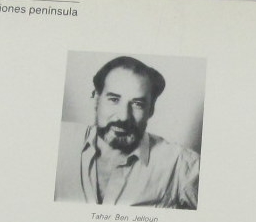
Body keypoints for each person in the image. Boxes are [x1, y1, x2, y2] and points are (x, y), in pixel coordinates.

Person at [54, 56, 200, 209]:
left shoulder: (179, 164)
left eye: (138, 104)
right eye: (114, 99)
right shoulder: (59, 142)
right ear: (96, 99)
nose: (124, 117)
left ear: (151, 110)